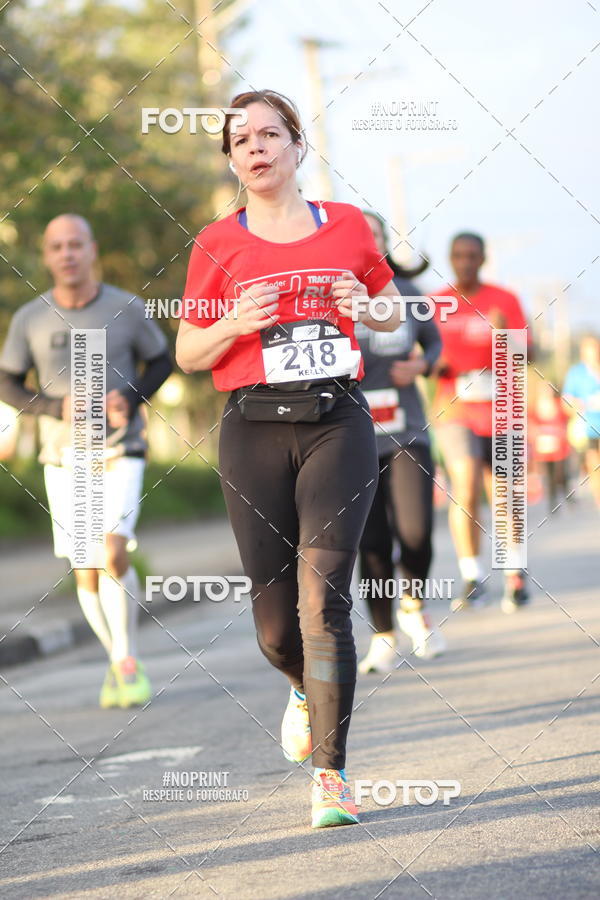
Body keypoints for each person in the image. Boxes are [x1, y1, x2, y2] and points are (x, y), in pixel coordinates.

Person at [176, 90, 403, 829]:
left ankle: (331, 777)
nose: (256, 147)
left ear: (298, 147)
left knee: (323, 599)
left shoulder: (346, 226)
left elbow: (393, 312)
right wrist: (235, 322)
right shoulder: (216, 244)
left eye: (270, 133)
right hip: (253, 426)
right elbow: (187, 353)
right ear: (232, 160)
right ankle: (304, 689)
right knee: (277, 629)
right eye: (240, 139)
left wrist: (363, 304)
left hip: (338, 418)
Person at [0, 214, 172, 707]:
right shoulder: (29, 318)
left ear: (92, 249)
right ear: (47, 256)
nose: (67, 254)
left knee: (114, 550)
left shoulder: (128, 308)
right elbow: (7, 381)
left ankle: (126, 661)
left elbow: (161, 361)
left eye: (76, 244)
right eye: (57, 247)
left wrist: (132, 398)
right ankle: (119, 660)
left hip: (121, 448)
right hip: (63, 455)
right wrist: (54, 407)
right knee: (87, 568)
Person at [355, 211, 446, 673]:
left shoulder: (407, 294)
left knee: (415, 533)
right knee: (370, 541)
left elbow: (434, 344)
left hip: (406, 431)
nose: (366, 242)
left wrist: (424, 366)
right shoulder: (334, 297)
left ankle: (413, 600)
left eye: (374, 236)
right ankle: (384, 635)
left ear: (383, 244)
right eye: (359, 235)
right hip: (351, 437)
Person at [431, 232, 531, 613]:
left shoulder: (504, 299)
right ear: (451, 258)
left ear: (484, 258)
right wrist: (433, 364)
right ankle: (472, 574)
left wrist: (507, 333)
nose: (466, 261)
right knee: (467, 481)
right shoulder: (436, 303)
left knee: (505, 493)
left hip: (503, 410)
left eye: (473, 255)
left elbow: (528, 354)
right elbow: (419, 356)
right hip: (454, 410)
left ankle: (513, 575)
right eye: (458, 255)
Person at [562, 334, 600, 510]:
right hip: (589, 426)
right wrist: (578, 404)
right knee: (594, 464)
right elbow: (566, 401)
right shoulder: (576, 373)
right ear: (583, 352)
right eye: (589, 349)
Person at [529, 378, 572, 515]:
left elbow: (567, 419)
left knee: (561, 473)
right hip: (544, 447)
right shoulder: (535, 406)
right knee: (550, 476)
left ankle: (568, 495)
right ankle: (553, 503)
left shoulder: (559, 404)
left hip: (559, 446)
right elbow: (531, 424)